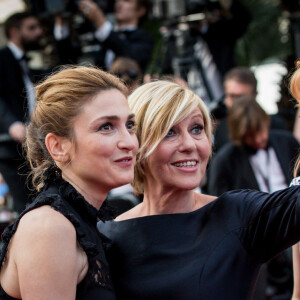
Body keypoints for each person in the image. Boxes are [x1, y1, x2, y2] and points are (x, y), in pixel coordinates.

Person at [98, 80, 300, 300]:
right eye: (170, 132)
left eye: (197, 129)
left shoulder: (238, 215)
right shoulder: (105, 240)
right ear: (137, 144)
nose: (189, 144)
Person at [0, 65, 138, 299]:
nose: (129, 142)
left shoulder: (83, 217)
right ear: (58, 147)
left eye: (130, 125)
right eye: (106, 127)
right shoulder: (49, 227)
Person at [207, 95, 299, 196]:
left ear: (266, 122)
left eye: (260, 131)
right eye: (250, 136)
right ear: (239, 135)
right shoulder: (225, 161)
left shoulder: (287, 142)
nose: (258, 139)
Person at [0, 12, 43, 214]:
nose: (39, 32)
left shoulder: (24, 63)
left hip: (29, 144)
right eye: (32, 28)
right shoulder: (2, 58)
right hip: (10, 147)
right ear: (15, 32)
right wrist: (12, 123)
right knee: (25, 206)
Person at [55, 0, 153, 72]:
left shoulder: (144, 37)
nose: (119, 3)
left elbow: (131, 57)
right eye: (117, 0)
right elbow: (68, 61)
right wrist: (62, 24)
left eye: (126, 1)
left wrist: (99, 20)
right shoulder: (100, 34)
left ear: (141, 10)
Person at [213, 67, 287, 152]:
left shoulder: (276, 126)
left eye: (241, 98)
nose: (237, 103)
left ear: (254, 95)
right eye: (232, 96)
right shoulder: (220, 130)